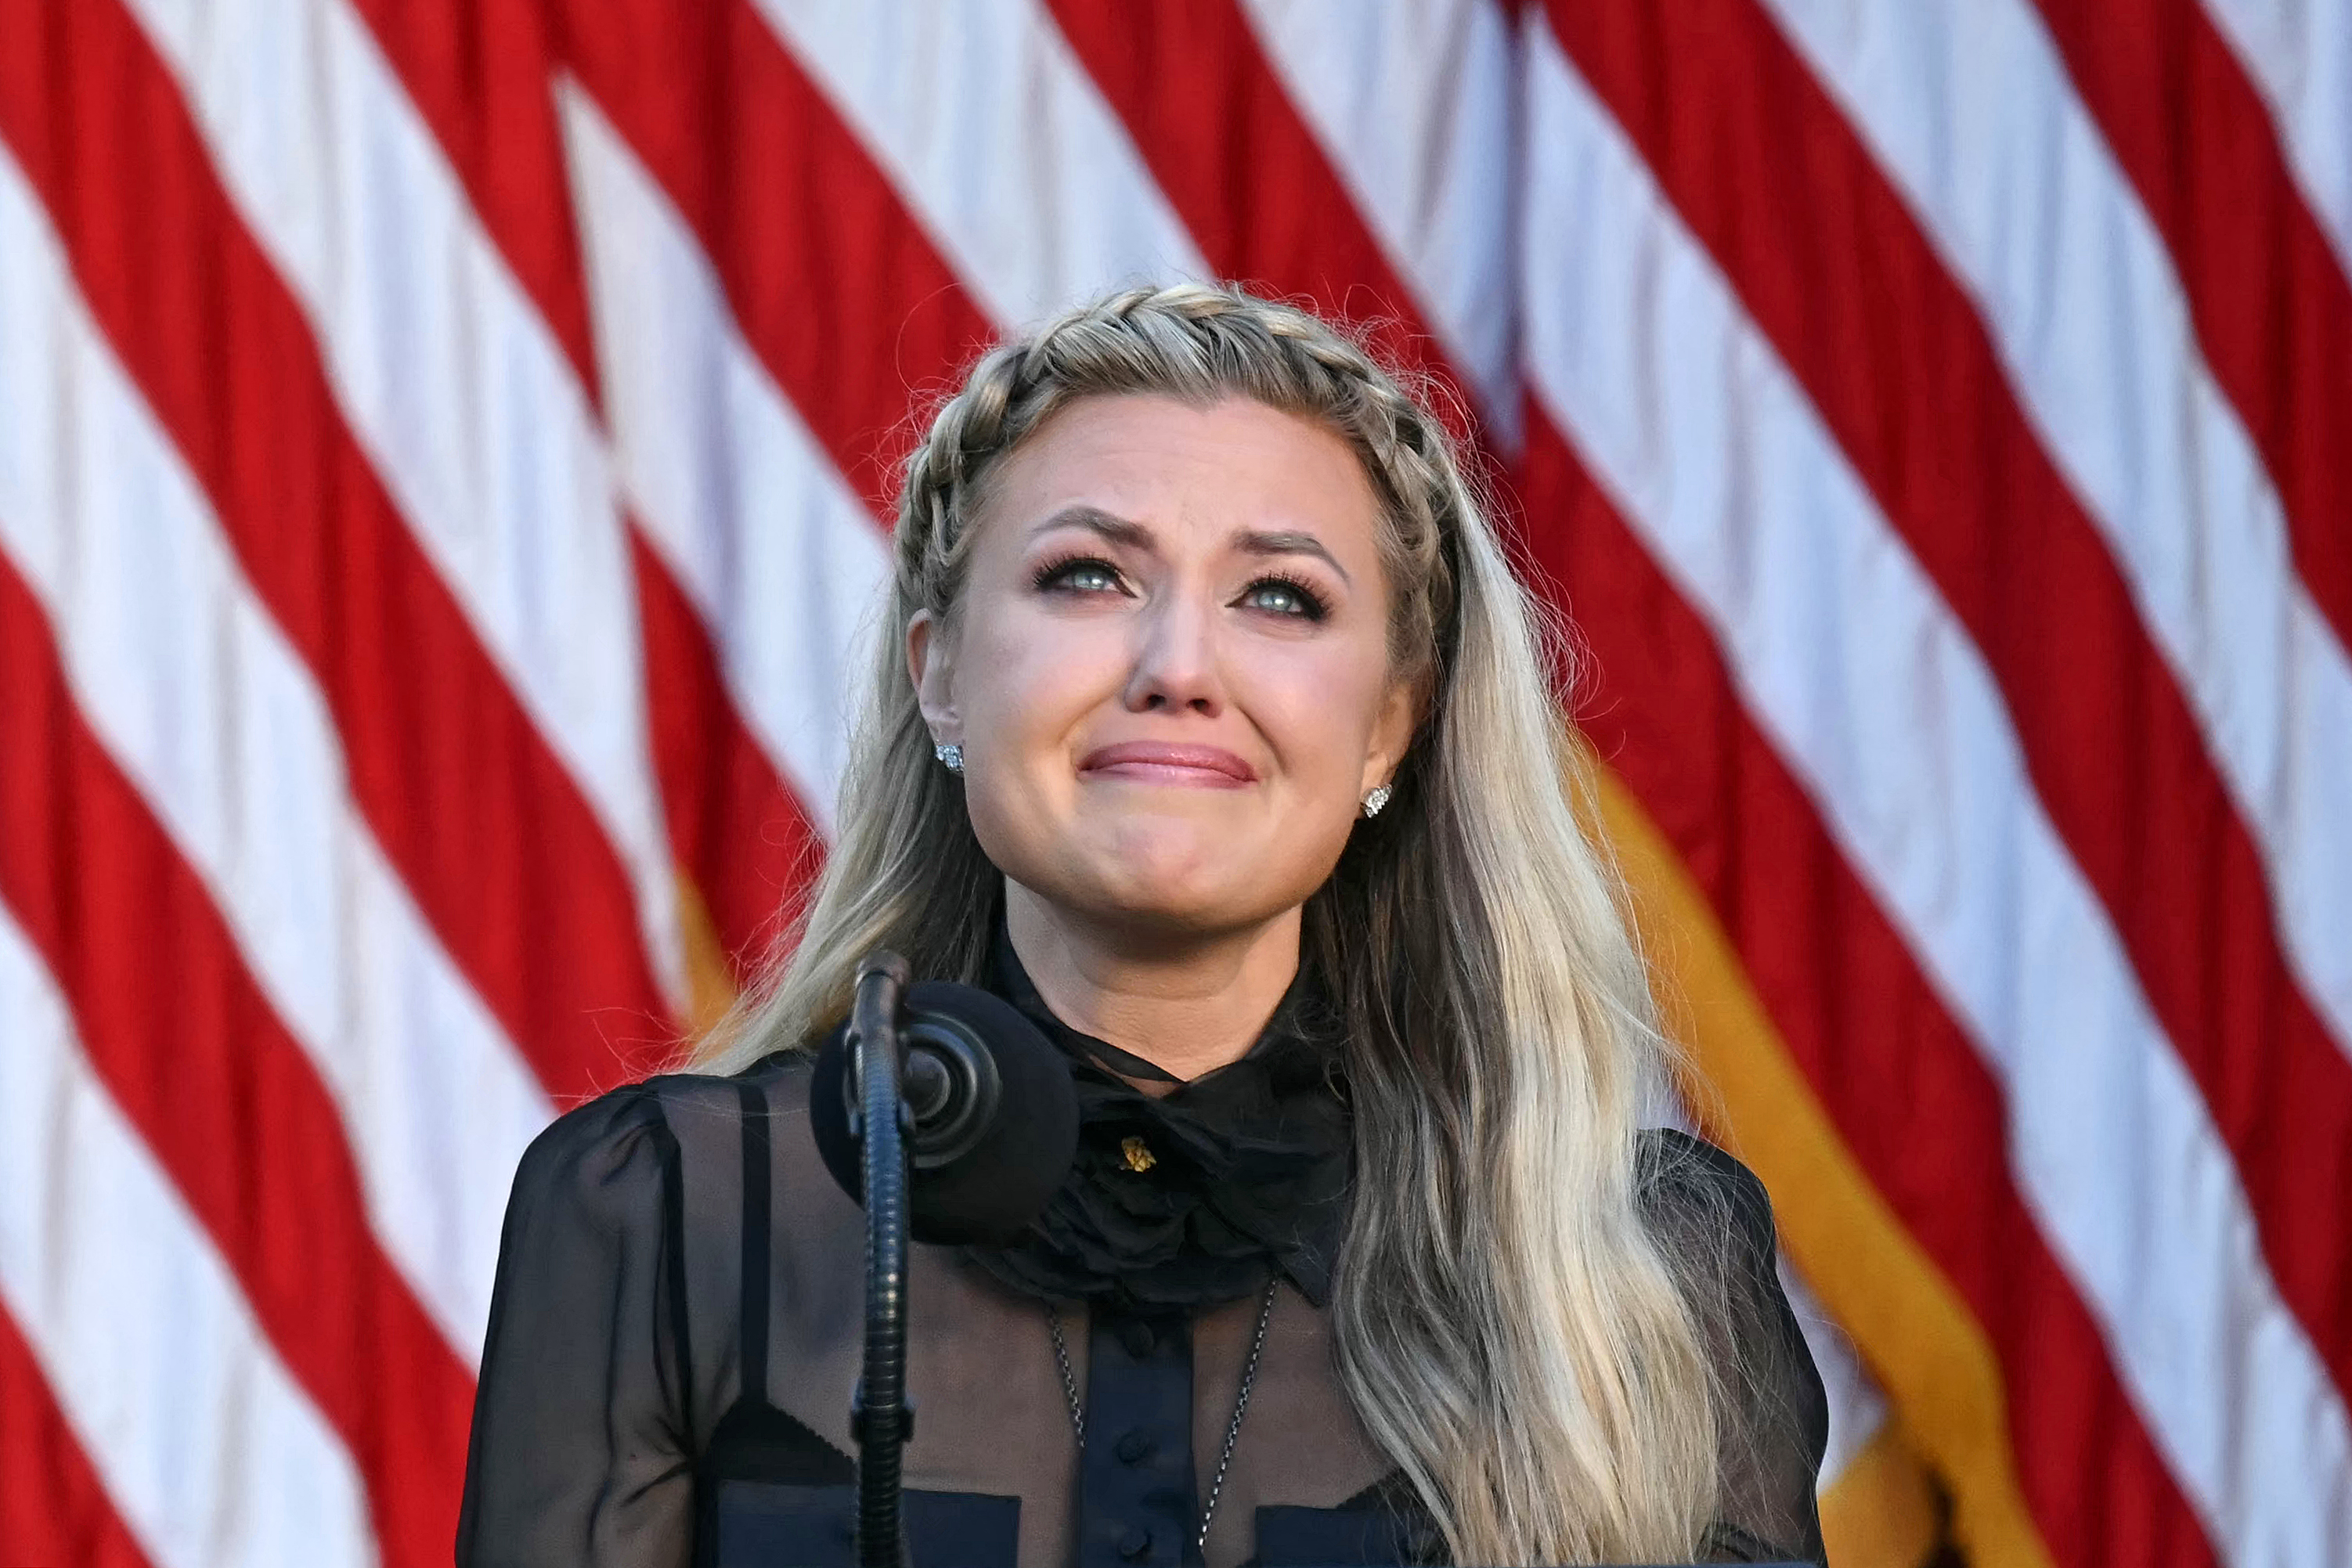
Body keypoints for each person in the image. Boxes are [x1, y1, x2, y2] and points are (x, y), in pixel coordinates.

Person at [454, 284, 1828, 1567]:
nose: (1178, 667)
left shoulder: (1640, 1268)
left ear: (1389, 727)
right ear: (940, 681)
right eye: (1088, 577)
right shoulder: (663, 1216)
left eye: (1279, 596)